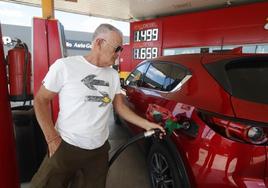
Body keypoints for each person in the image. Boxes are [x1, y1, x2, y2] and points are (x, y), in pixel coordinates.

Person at [30, 23, 165, 188]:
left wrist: (147, 124)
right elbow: (41, 100)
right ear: (99, 43)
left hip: (98, 151)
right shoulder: (65, 66)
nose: (119, 54)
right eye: (117, 48)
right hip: (66, 145)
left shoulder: (113, 75)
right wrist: (52, 139)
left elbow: (120, 107)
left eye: (120, 49)